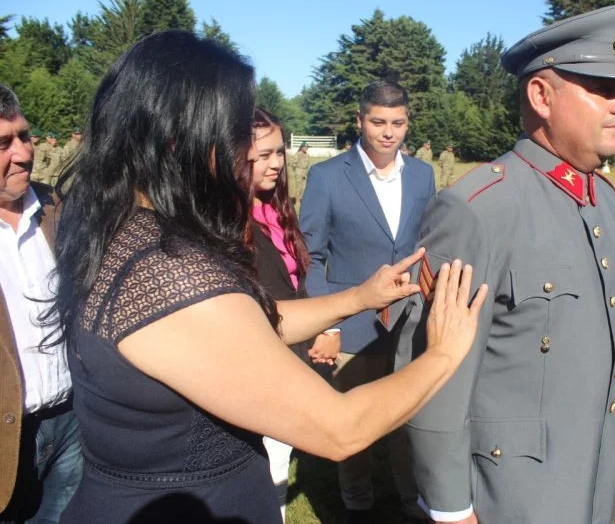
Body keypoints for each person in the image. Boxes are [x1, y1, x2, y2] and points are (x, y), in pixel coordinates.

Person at [47, 31, 487, 524]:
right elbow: (339, 428)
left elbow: (250, 327)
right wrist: (446, 351)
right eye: (236, 133)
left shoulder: (129, 232)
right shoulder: (170, 271)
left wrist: (358, 297)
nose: (251, 154)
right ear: (184, 139)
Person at [386, 5, 615, 523]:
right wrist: (448, 507)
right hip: (509, 492)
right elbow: (433, 370)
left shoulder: (603, 196)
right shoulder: (479, 208)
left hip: (590, 472)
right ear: (541, 96)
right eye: (602, 87)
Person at [300, 79, 437, 523]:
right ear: (360, 121)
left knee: (408, 418)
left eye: (397, 123)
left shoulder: (422, 175)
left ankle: (410, 497)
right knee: (354, 421)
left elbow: (427, 242)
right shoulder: (327, 177)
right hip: (353, 323)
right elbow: (311, 254)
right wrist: (330, 323)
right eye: (378, 121)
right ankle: (356, 498)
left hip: (409, 321)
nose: (388, 132)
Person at [0, 84, 83, 522]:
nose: (22, 154)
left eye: (24, 136)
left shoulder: (58, 208)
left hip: (72, 420)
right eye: (2, 143)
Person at [249, 107, 335, 522]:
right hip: (257, 364)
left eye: (279, 152)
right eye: (263, 155)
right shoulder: (223, 222)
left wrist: (322, 326)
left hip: (290, 354)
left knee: (278, 458)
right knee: (262, 466)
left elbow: (296, 280)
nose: (277, 163)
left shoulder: (274, 209)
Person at [289, 141, 310, 206]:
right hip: (299, 171)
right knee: (298, 187)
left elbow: (307, 164)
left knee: (304, 187)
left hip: (305, 172)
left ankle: (301, 199)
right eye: (305, 147)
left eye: (307, 147)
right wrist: (296, 171)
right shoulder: (298, 154)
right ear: (302, 148)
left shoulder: (307, 155)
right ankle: (297, 201)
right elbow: (293, 164)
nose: (306, 149)